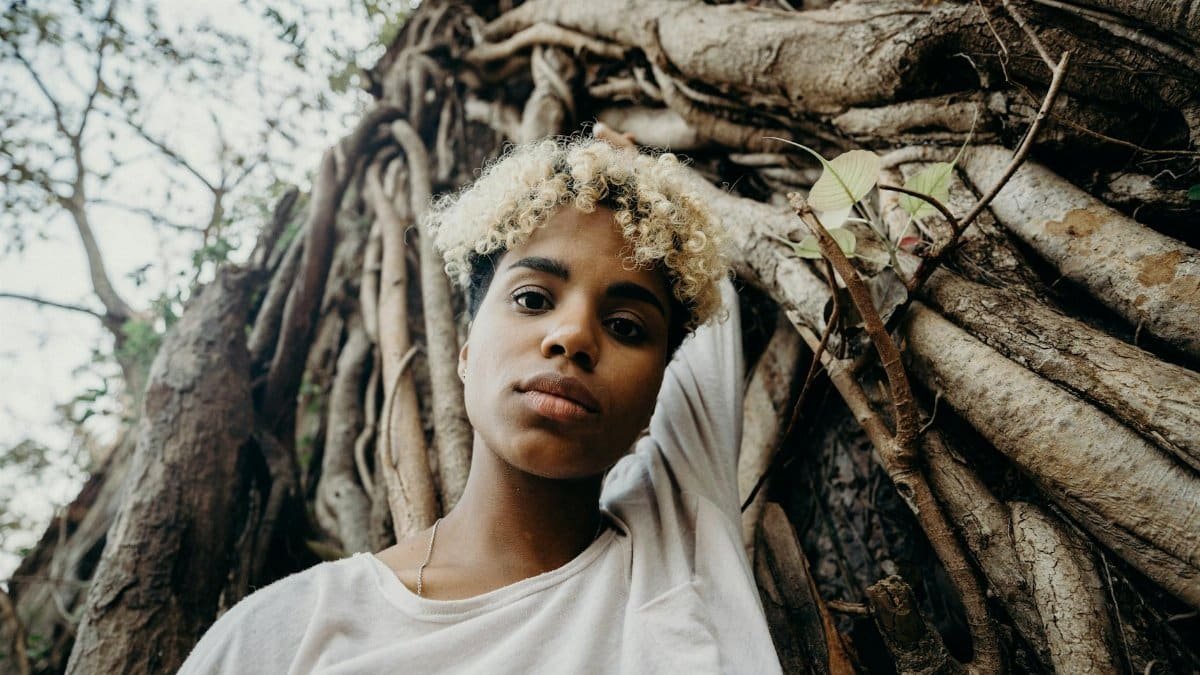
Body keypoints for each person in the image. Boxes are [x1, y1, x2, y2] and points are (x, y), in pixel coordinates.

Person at [178, 135, 783, 674]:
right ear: (465, 352)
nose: (572, 336)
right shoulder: (284, 636)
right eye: (532, 298)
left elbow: (705, 309)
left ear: (657, 397)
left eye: (626, 327)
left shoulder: (681, 539)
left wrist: (641, 175)